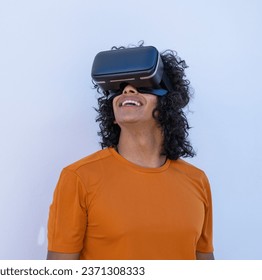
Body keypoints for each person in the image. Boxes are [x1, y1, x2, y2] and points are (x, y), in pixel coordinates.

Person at [47, 44, 214, 260]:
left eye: (142, 85)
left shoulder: (197, 180)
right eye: (120, 88)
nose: (127, 90)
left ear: (168, 103)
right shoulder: (79, 178)